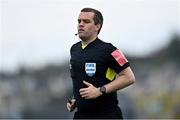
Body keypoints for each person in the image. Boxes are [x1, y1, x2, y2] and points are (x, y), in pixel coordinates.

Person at [67, 7, 135, 119]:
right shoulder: (74, 49)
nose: (81, 24)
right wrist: (75, 99)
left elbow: (129, 77)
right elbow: (80, 80)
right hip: (81, 116)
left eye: (86, 21)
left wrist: (99, 90)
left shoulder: (109, 50)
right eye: (79, 21)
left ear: (97, 26)